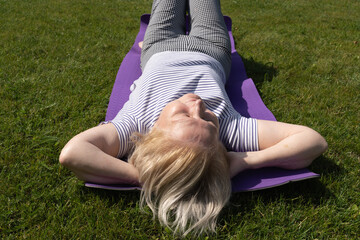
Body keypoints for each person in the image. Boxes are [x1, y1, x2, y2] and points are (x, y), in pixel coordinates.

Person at [59, 0, 328, 236]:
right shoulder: (227, 129)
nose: (197, 105)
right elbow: (313, 141)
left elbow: (72, 154)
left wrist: (147, 176)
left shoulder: (135, 125)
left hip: (158, 45)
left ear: (154, 135)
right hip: (211, 48)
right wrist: (244, 161)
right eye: (208, 119)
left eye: (184, 114)